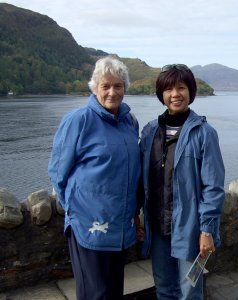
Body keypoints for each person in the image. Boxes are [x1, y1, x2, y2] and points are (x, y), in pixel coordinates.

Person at [48, 56, 141, 300]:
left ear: (125, 88)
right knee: (95, 294)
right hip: (89, 227)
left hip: (120, 227)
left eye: (118, 85)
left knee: (113, 292)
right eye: (105, 86)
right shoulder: (78, 121)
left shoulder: (130, 122)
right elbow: (58, 173)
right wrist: (76, 210)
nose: (112, 92)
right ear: (95, 87)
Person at [140, 64, 225, 300]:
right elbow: (143, 180)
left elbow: (213, 186)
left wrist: (207, 229)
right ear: (161, 94)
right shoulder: (149, 132)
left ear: (190, 91)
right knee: (164, 288)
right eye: (168, 89)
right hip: (158, 228)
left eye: (181, 87)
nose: (175, 94)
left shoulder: (204, 133)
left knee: (190, 290)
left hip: (190, 229)